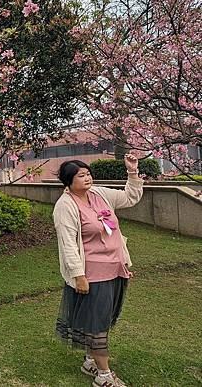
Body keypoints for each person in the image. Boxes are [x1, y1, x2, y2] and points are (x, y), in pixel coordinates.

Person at [53, 154, 143, 387]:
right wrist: (78, 276)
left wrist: (132, 172)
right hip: (93, 274)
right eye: (81, 175)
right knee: (98, 324)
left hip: (115, 268)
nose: (87, 178)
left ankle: (90, 360)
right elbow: (68, 244)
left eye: (88, 174)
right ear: (68, 181)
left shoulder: (99, 194)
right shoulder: (65, 206)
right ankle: (103, 375)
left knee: (101, 320)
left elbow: (130, 197)